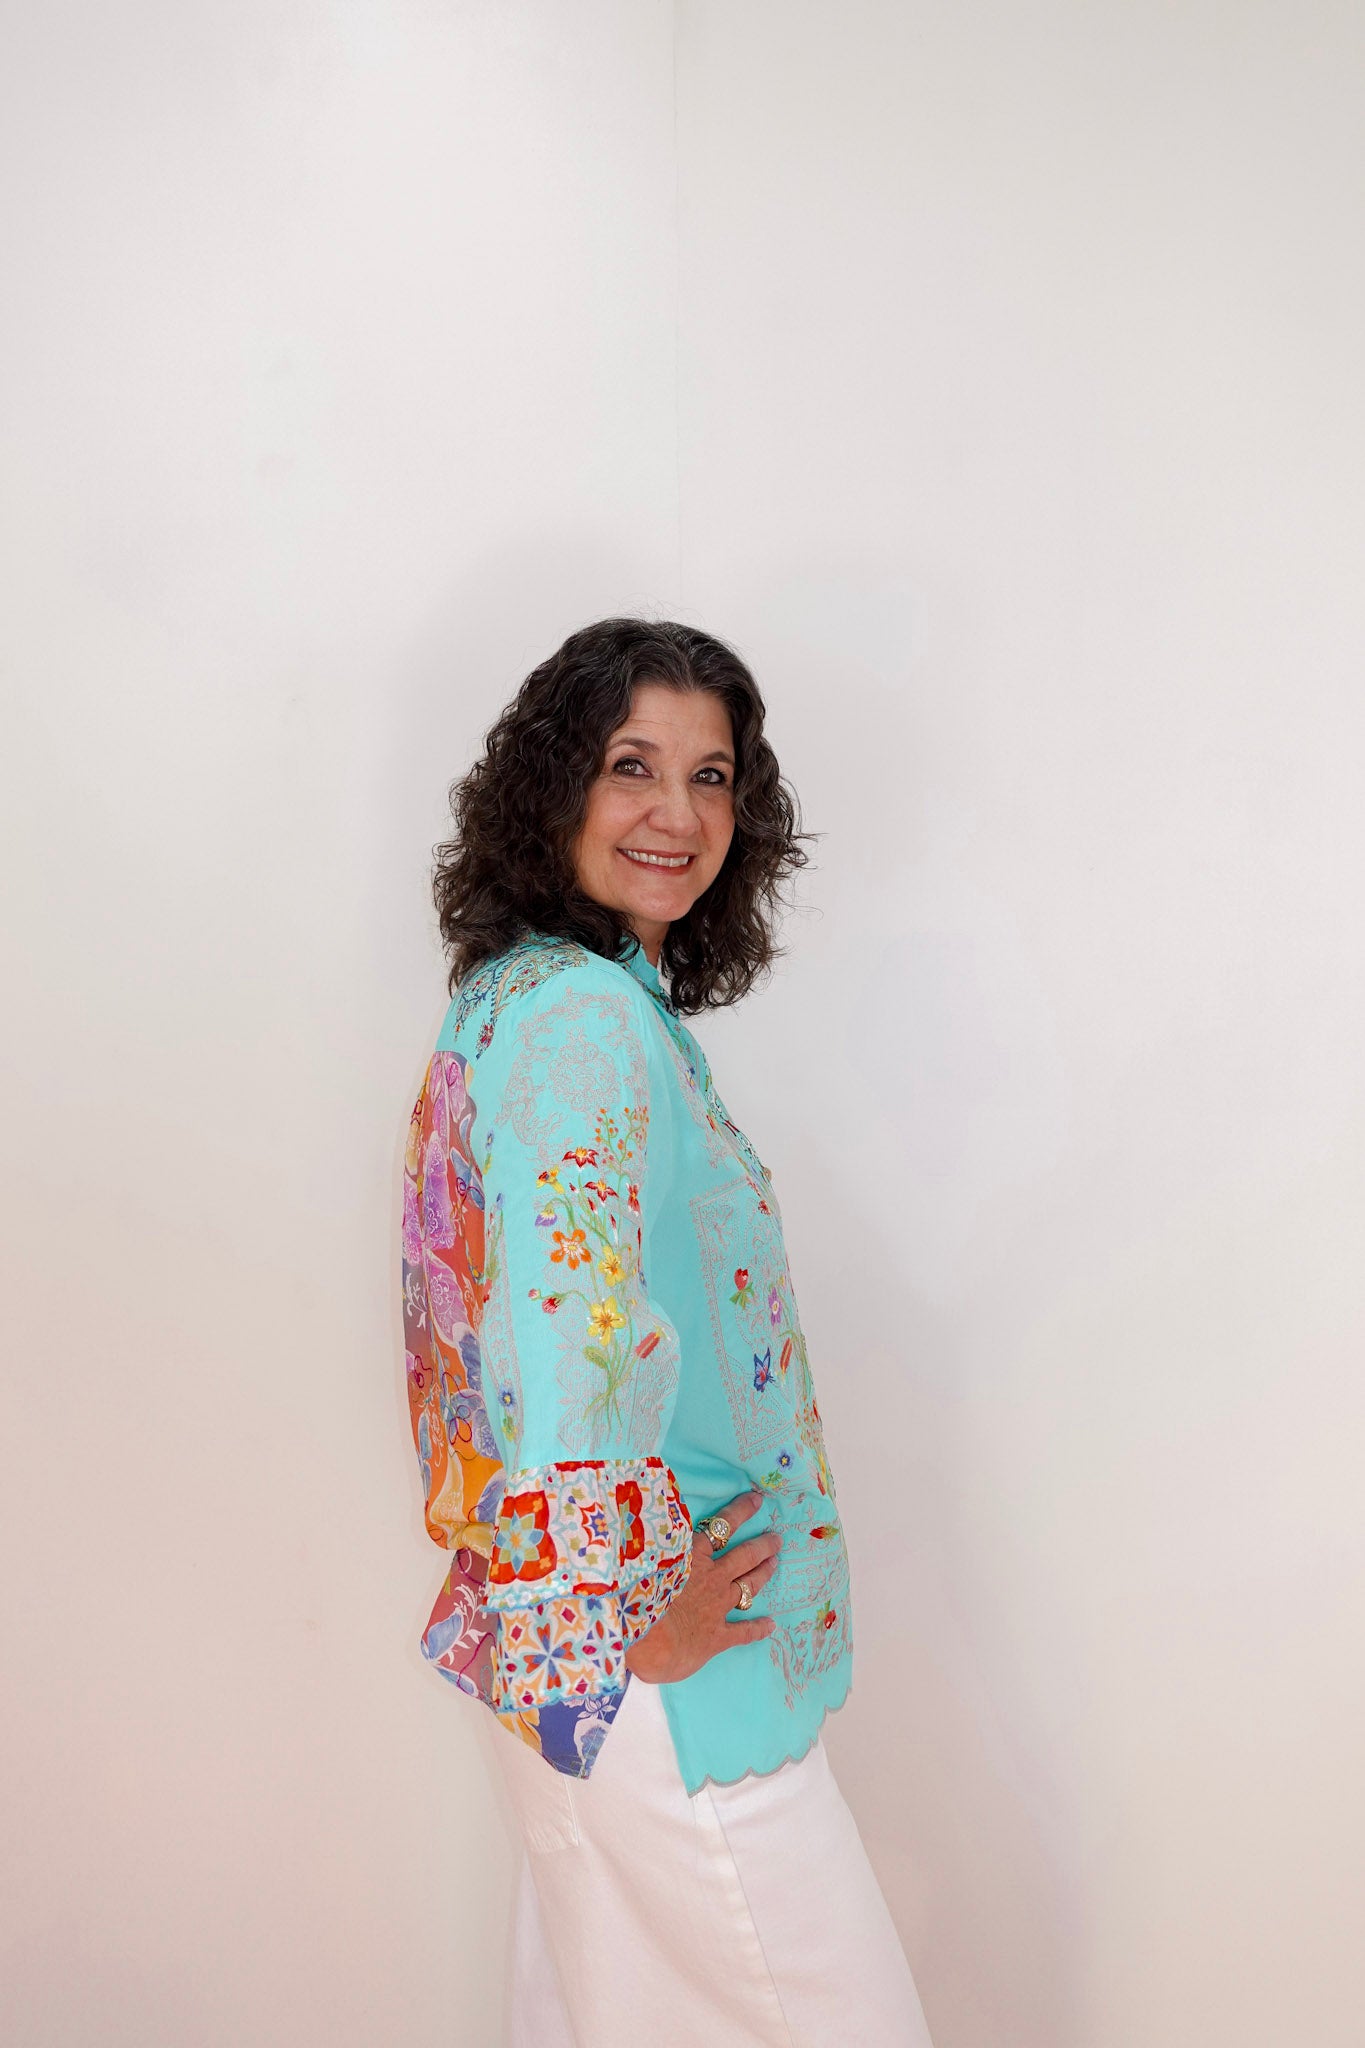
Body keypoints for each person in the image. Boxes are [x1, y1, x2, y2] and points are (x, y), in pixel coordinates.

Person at [402, 618, 932, 2044]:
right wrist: (636, 1605)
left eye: (712, 777)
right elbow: (560, 1331)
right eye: (631, 765)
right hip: (664, 1673)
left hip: (564, 1656)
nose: (678, 815)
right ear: (553, 786)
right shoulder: (582, 1019)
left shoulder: (524, 999)